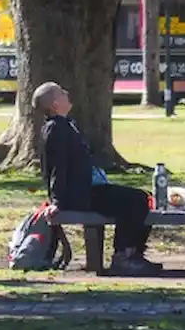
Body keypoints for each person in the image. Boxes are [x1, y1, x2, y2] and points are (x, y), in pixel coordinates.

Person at [34, 81, 162, 276]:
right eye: (61, 92)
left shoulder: (64, 125)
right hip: (79, 195)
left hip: (86, 188)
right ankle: (123, 257)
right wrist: (57, 201)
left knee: (142, 198)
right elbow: (57, 167)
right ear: (55, 104)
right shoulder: (56, 129)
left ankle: (133, 253)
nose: (66, 93)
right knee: (136, 201)